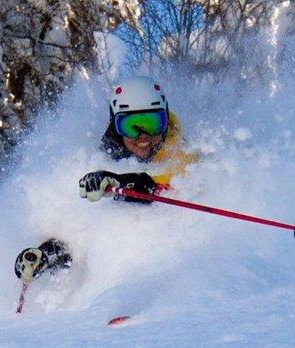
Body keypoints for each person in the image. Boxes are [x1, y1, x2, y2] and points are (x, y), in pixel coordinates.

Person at [14, 75, 197, 284]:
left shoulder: (183, 153)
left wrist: (127, 183)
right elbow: (82, 220)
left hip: (168, 268)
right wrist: (48, 252)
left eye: (152, 123)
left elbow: (178, 186)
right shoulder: (99, 158)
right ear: (115, 126)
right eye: (131, 126)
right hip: (112, 278)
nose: (143, 136)